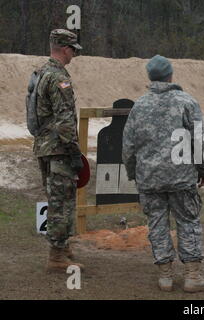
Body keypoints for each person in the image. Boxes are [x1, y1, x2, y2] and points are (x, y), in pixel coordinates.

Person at [122, 55, 204, 293]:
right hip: (181, 177)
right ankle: (192, 275)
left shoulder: (139, 105)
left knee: (156, 223)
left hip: (149, 178)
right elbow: (199, 141)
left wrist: (134, 174)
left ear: (150, 77)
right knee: (188, 221)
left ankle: (165, 276)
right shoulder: (186, 102)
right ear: (171, 75)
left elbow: (128, 146)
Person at [32, 29, 84, 272]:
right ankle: (56, 257)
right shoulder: (59, 78)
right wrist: (74, 151)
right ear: (65, 49)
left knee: (56, 201)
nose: (74, 54)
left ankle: (62, 248)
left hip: (44, 146)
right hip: (59, 149)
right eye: (73, 49)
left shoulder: (42, 72)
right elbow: (65, 120)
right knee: (62, 203)